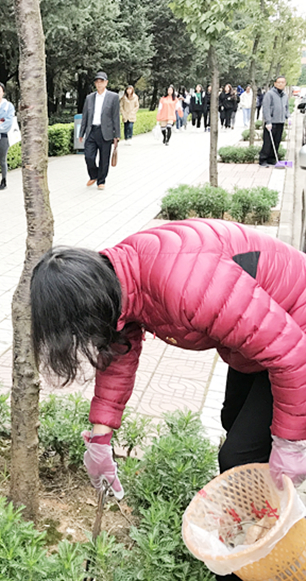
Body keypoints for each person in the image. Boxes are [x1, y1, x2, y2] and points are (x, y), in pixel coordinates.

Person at [31, 219, 306, 581]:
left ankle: (267, 558)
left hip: (295, 335)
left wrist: (290, 442)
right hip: (260, 341)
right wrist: (100, 440)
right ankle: (257, 536)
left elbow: (290, 353)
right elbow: (119, 354)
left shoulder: (186, 283)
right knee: (233, 422)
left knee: (240, 454)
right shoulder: (118, 277)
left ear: (93, 304)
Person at [80, 71, 120, 190]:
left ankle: (101, 181)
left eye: (101, 81)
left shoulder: (113, 97)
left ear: (106, 83)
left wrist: (116, 135)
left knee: (104, 158)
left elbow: (115, 117)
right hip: (92, 130)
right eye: (97, 82)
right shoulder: (89, 97)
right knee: (89, 157)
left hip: (105, 132)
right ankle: (94, 175)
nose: (99, 84)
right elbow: (85, 116)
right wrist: (81, 133)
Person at [259, 76, 289, 168]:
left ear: (285, 84)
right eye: (278, 82)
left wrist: (288, 117)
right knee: (268, 142)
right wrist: (268, 121)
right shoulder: (270, 94)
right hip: (271, 122)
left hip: (280, 121)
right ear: (275, 83)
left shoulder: (284, 95)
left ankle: (272, 159)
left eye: (282, 82)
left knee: (276, 141)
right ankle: (263, 159)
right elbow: (266, 108)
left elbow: (286, 108)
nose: (280, 84)